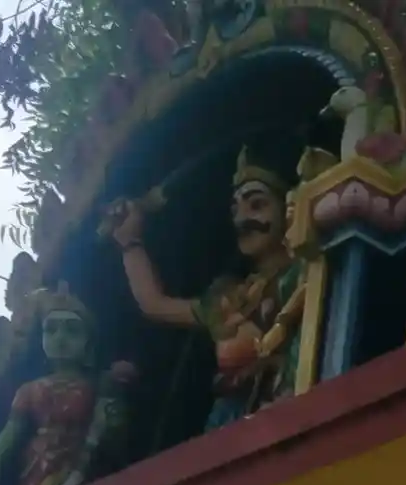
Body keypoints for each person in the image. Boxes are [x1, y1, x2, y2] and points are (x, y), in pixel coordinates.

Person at [104, 147, 307, 430]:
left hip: (290, 407)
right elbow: (154, 304)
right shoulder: (231, 295)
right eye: (236, 210)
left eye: (257, 205)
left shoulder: (303, 272)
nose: (241, 219)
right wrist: (129, 242)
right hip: (232, 421)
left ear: (289, 209)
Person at [0, 290, 121, 485]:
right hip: (34, 469)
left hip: (79, 466)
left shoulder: (96, 387)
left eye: (72, 330)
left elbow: (107, 432)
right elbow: (11, 435)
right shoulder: (29, 390)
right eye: (51, 330)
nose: (60, 338)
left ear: (88, 341)